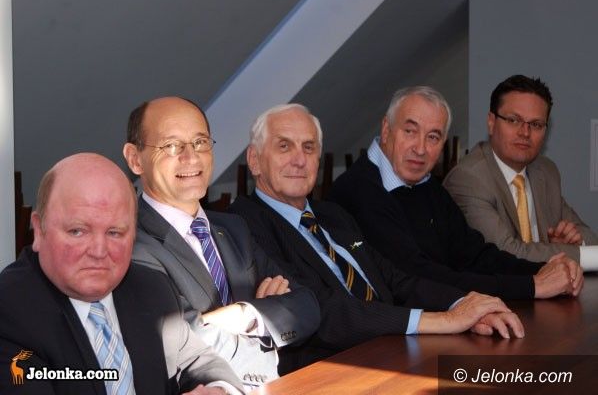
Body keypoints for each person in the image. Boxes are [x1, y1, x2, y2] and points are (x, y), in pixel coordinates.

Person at [229, 103, 524, 372]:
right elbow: (321, 309)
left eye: (309, 147)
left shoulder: (332, 214)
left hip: (394, 346)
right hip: (336, 367)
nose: (299, 160)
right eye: (284, 146)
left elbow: (395, 279)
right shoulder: (241, 225)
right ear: (255, 160)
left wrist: (462, 304)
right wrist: (444, 321)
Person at [0, 153, 243, 395]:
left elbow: (201, 362)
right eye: (77, 231)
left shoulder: (152, 288)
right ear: (39, 231)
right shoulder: (9, 313)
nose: (98, 251)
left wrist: (219, 390)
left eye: (115, 233)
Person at [122, 97, 319, 381]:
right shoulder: (130, 244)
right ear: (135, 159)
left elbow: (307, 305)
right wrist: (267, 323)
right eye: (172, 145)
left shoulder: (233, 227)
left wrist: (246, 314)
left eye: (200, 142)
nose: (191, 157)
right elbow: (185, 343)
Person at [329, 86, 583, 301]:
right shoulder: (358, 191)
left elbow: (474, 255)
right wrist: (531, 286)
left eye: (433, 137)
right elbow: (417, 277)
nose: (420, 148)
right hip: (379, 336)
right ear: (386, 130)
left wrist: (544, 270)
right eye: (410, 131)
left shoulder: (427, 186)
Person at [444, 74, 598, 266]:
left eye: (536, 124)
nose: (525, 133)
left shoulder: (546, 170)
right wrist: (574, 253)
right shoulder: (468, 178)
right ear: (491, 122)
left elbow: (588, 236)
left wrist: (572, 243)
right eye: (513, 120)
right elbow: (506, 253)